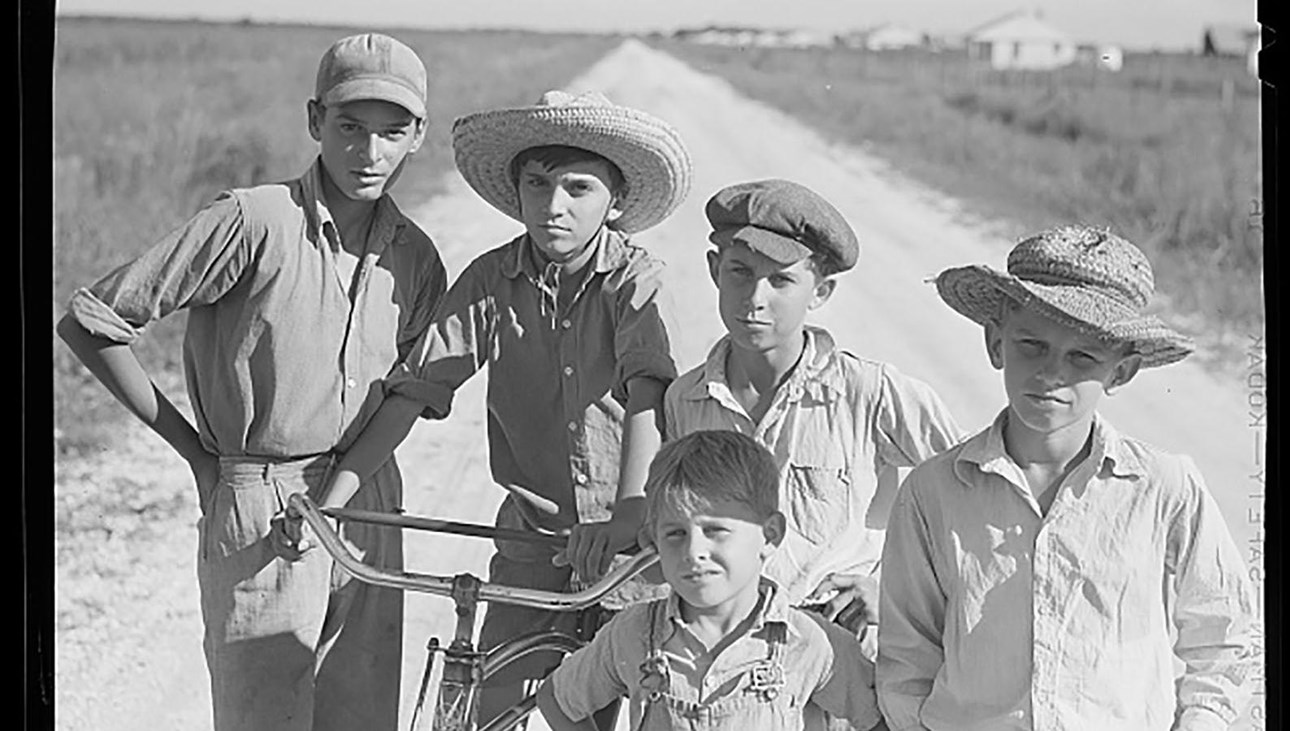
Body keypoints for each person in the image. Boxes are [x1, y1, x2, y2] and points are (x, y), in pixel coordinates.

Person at [55, 33, 444, 730]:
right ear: (313, 120)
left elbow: (409, 393)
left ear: (418, 136)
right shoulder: (253, 220)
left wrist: (341, 490)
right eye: (350, 126)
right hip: (262, 506)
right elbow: (92, 322)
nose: (370, 152)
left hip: (368, 501)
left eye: (392, 132)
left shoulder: (415, 256)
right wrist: (202, 460)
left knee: (361, 717)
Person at [350, 89, 690, 727]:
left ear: (614, 204)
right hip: (532, 542)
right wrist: (340, 489)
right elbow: (420, 386)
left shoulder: (635, 282)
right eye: (537, 184)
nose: (553, 205)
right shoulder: (491, 280)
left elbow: (648, 390)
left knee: (620, 706)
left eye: (578, 188)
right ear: (517, 190)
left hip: (633, 552)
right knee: (489, 701)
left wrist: (627, 520)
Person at [876, 225, 1256, 730]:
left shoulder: (1165, 487)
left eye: (1083, 357)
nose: (1052, 374)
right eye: (1031, 344)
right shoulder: (933, 491)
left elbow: (1225, 639)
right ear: (996, 344)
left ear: (1121, 373)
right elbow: (907, 657)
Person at [663, 179, 963, 657]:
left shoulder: (870, 392)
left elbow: (975, 500)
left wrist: (891, 587)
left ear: (820, 291)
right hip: (726, 653)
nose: (754, 298)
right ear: (714, 269)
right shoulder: (687, 400)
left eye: (781, 280)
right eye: (739, 272)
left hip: (839, 650)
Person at [537, 429, 888, 730]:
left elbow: (880, 718)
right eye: (675, 533)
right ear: (654, 538)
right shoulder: (633, 634)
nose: (693, 551)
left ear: (769, 535)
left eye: (715, 530)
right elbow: (557, 699)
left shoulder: (809, 642)